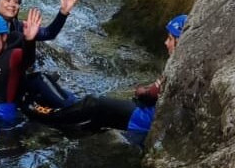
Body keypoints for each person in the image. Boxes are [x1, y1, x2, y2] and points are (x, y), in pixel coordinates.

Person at [20, 14, 189, 138]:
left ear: (180, 41)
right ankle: (73, 130)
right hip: (149, 116)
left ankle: (45, 115)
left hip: (144, 119)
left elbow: (149, 95)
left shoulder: (179, 66)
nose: (166, 43)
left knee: (95, 103)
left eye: (170, 39)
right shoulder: (182, 63)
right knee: (97, 116)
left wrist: (140, 90)